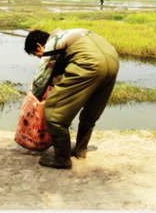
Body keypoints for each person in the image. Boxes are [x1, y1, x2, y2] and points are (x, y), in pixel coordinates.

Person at [24, 28, 119, 169]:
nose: (40, 58)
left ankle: (62, 159)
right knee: (91, 112)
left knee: (53, 113)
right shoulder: (66, 35)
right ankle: (80, 150)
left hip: (89, 63)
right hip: (113, 60)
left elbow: (41, 80)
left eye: (37, 55)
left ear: (39, 46)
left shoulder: (51, 45)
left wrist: (34, 93)